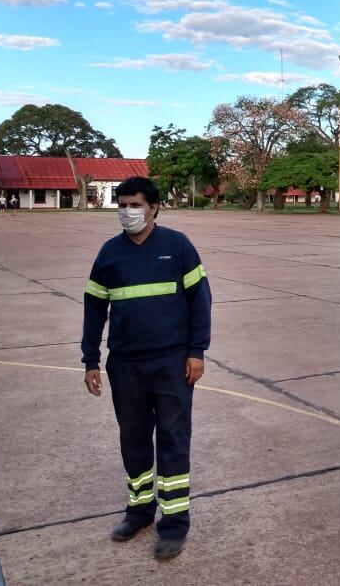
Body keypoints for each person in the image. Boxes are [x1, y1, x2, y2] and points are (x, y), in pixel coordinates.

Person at [81, 176, 212, 561]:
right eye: (121, 204)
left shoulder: (178, 247)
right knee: (133, 440)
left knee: (172, 439)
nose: (127, 212)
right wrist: (90, 359)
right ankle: (139, 512)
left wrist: (196, 352)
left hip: (172, 364)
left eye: (135, 204)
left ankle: (173, 525)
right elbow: (94, 310)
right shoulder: (109, 254)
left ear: (154, 207)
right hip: (125, 365)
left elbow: (200, 302)